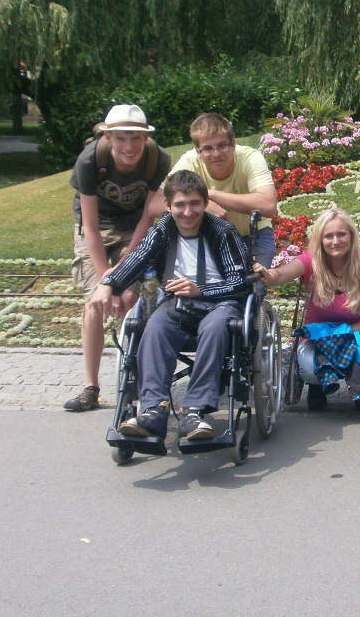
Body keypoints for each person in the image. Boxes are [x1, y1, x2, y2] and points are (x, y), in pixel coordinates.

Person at [93, 170, 251, 441]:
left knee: (215, 327)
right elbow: (137, 259)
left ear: (205, 203)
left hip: (219, 304)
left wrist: (202, 290)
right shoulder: (162, 230)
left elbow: (240, 282)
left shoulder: (223, 232)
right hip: (177, 305)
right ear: (167, 205)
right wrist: (109, 284)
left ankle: (194, 411)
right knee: (154, 325)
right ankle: (153, 410)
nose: (188, 212)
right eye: (180, 204)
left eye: (195, 203)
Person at [64, 104, 172, 412]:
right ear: (108, 137)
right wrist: (106, 279)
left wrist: (125, 269)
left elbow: (147, 218)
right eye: (122, 138)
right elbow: (90, 228)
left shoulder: (157, 159)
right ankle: (91, 387)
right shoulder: (90, 160)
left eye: (136, 138)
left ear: (145, 137)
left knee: (129, 298)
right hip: (96, 228)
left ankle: (134, 372)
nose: (129, 146)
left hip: (134, 228)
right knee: (96, 302)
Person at [252, 208, 360, 413]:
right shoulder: (310, 261)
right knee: (310, 362)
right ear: (320, 240)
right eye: (328, 236)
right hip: (317, 338)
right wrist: (267, 275)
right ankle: (316, 386)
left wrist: (342, 333)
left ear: (351, 236)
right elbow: (279, 275)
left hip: (354, 335)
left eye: (341, 234)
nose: (335, 241)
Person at [153, 112, 277, 272]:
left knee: (255, 283)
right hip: (210, 235)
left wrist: (210, 195)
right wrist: (205, 207)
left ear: (233, 144)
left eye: (222, 145)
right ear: (198, 151)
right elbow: (155, 204)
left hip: (253, 233)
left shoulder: (250, 158)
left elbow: (268, 206)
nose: (216, 154)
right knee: (210, 283)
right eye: (207, 148)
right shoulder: (189, 162)